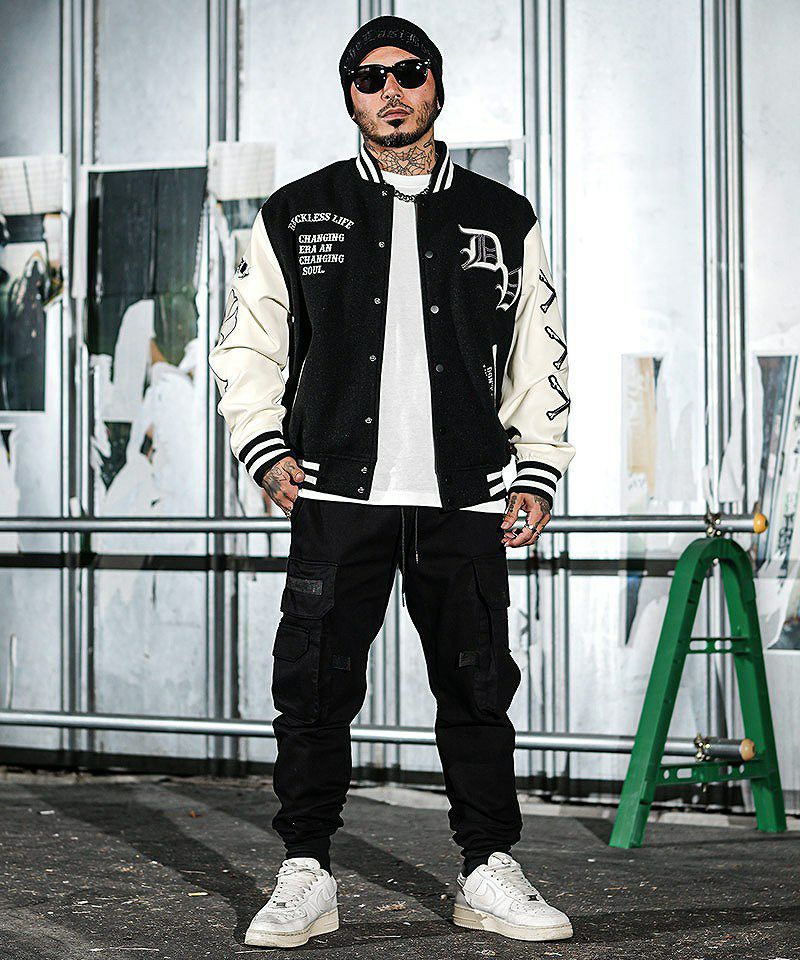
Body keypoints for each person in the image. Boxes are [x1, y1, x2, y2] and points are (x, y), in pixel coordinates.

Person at [208, 14, 576, 949]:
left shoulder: (504, 215)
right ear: (350, 97)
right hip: (338, 494)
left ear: (437, 84)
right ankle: (306, 872)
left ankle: (487, 869)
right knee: (313, 691)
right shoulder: (299, 211)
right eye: (370, 79)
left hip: (464, 496)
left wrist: (538, 467)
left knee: (478, 691)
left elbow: (540, 355)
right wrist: (262, 444)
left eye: (409, 73)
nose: (391, 92)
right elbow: (248, 344)